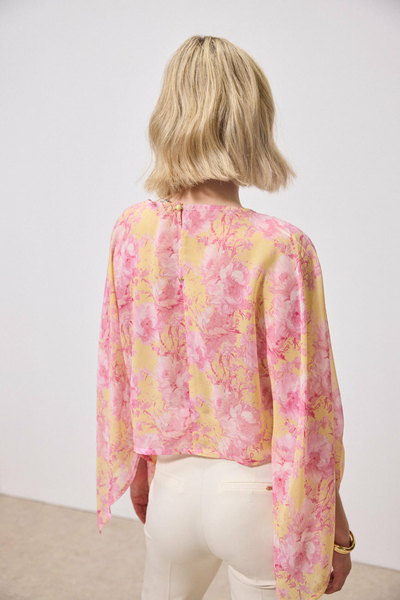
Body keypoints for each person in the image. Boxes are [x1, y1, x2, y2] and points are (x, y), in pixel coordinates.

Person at [96, 35, 354, 600]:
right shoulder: (280, 246)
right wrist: (336, 528)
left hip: (171, 489)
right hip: (255, 499)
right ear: (251, 121)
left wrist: (140, 467)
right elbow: (307, 406)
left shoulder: (132, 230)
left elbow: (121, 367)